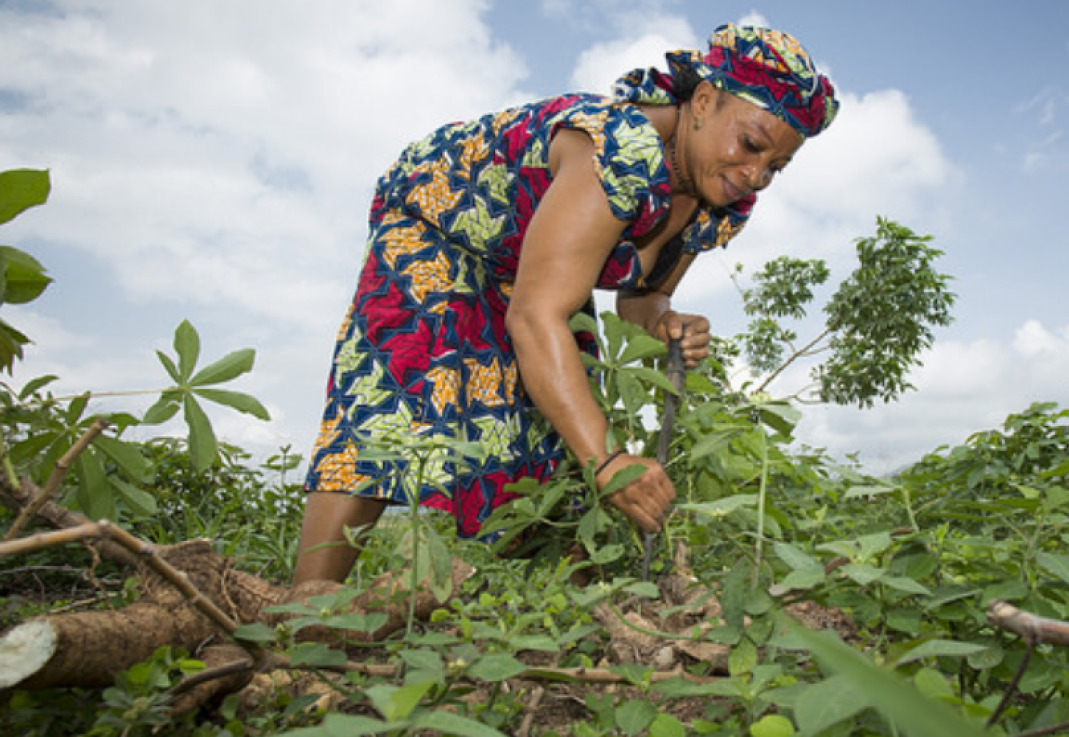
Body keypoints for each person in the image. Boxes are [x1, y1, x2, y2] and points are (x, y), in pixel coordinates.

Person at [293, 23, 840, 585]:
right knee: (392, 401)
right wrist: (608, 461)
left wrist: (666, 324)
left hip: (528, 274)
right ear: (702, 102)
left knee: (556, 435)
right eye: (751, 144)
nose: (756, 175)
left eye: (776, 166)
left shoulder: (720, 199)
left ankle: (559, 614)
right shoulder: (618, 150)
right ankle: (305, 610)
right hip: (439, 226)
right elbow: (536, 316)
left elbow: (644, 298)